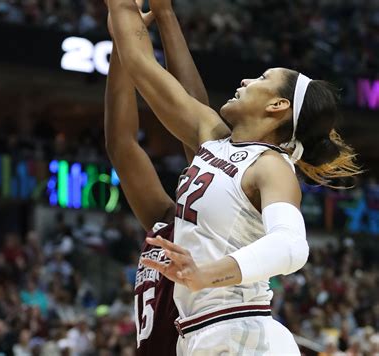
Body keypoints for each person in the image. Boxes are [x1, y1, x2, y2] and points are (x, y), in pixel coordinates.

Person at [107, 0, 362, 354]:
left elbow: (291, 246)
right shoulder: (214, 142)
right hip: (199, 335)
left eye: (262, 79)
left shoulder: (271, 165)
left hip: (244, 333)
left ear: (277, 106)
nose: (246, 80)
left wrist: (204, 275)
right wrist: (144, 11)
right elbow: (139, 62)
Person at [104, 0, 210, 354]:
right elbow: (120, 145)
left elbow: (197, 122)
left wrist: (165, 16)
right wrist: (123, 41)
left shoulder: (212, 224)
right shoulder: (163, 220)